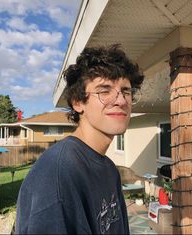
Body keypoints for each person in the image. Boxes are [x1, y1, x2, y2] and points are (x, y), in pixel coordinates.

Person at [15, 44, 144, 234]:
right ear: (78, 102)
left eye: (126, 91)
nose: (121, 101)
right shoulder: (59, 172)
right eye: (104, 91)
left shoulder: (109, 170)